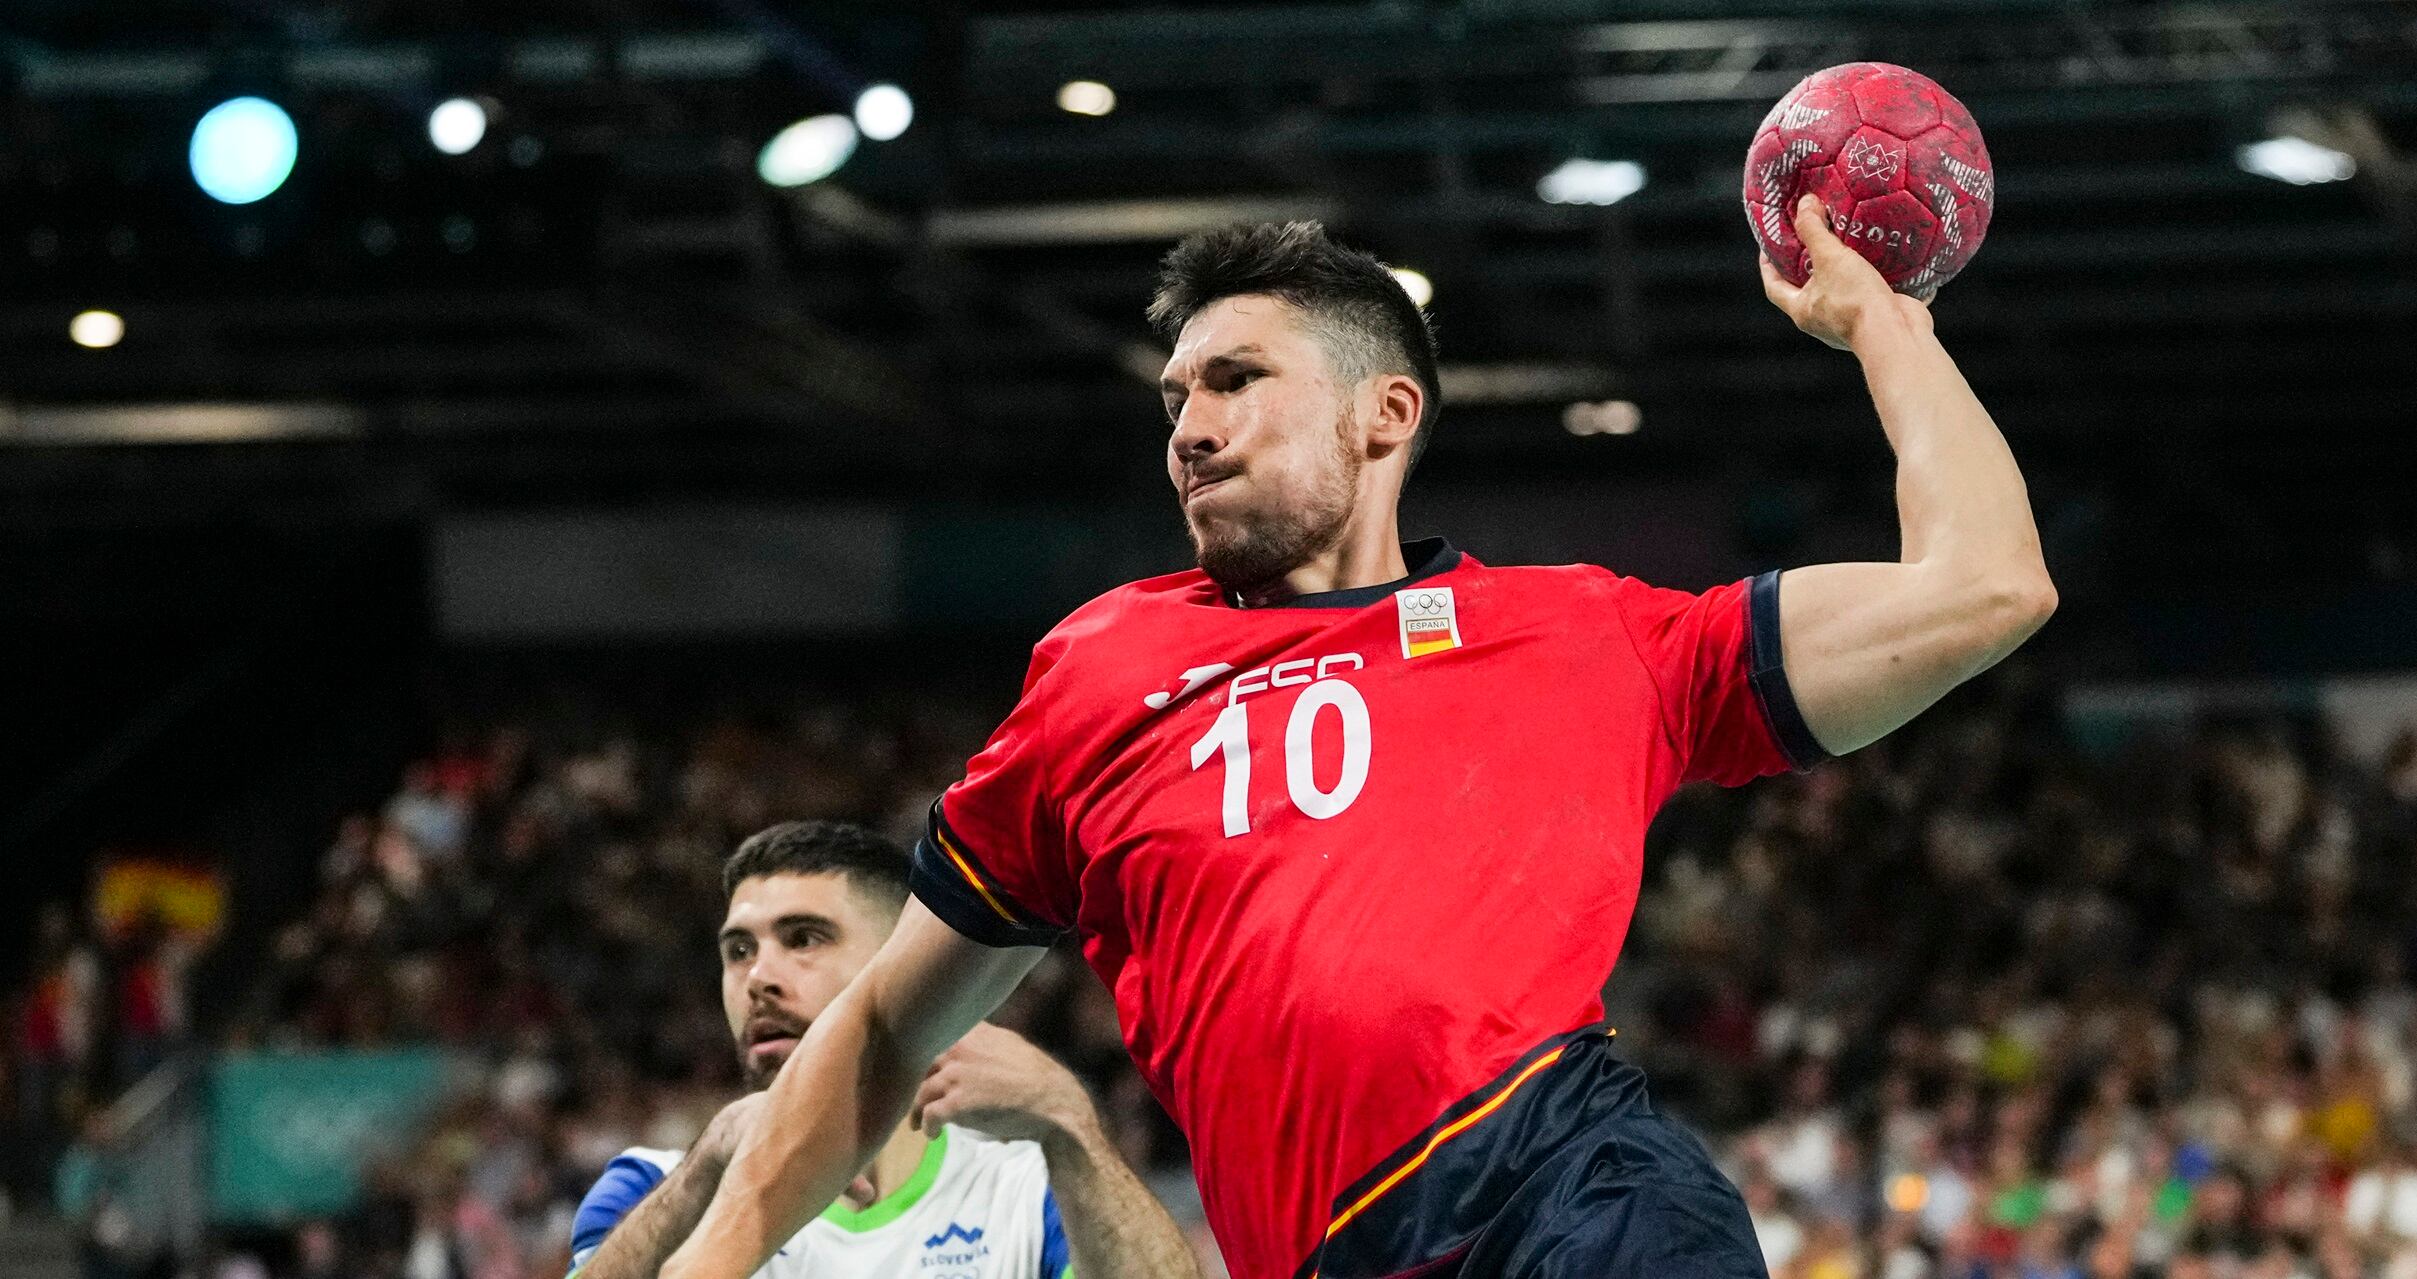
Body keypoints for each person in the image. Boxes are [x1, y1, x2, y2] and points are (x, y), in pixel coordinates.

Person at [663, 198, 2058, 1279]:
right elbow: (884, 1032)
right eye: (1175, 399)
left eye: (1234, 381)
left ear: (1383, 414)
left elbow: (1986, 586)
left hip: (1570, 1192)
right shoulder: (1099, 669)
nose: (1189, 429)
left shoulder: (1589, 635)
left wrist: (1889, 329)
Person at [567, 821, 1196, 1279]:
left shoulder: (1022, 1191)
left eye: (803, 938)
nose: (758, 977)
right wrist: (705, 1170)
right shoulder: (653, 1186)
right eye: (739, 950)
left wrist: (1070, 1127)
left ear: (903, 965)